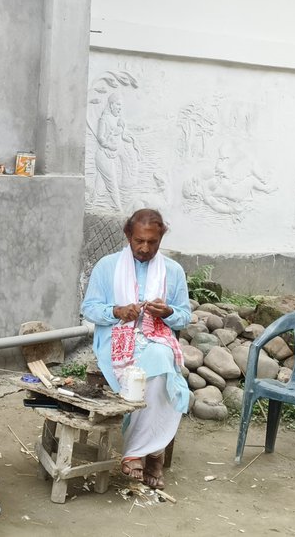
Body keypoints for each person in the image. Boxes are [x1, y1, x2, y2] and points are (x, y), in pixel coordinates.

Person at [81, 208, 191, 490]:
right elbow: (89, 308)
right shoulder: (107, 266)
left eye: (152, 242)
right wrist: (117, 311)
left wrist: (167, 312)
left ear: (161, 239)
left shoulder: (173, 271)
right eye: (139, 241)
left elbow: (184, 316)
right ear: (128, 235)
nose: (144, 248)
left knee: (160, 362)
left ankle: (142, 451)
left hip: (157, 339)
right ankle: (154, 452)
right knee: (160, 366)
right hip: (115, 341)